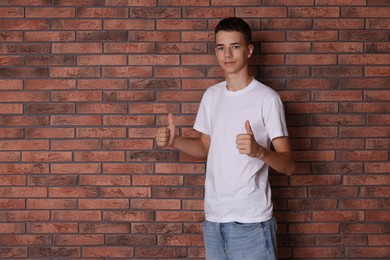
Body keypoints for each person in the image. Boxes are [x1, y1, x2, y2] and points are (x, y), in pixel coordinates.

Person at [156, 17, 295, 260]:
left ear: (249, 50)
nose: (227, 54)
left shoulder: (267, 99)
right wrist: (174, 141)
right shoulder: (211, 96)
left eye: (235, 46)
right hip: (214, 221)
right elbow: (205, 148)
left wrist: (259, 152)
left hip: (251, 223)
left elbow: (289, 165)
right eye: (221, 48)